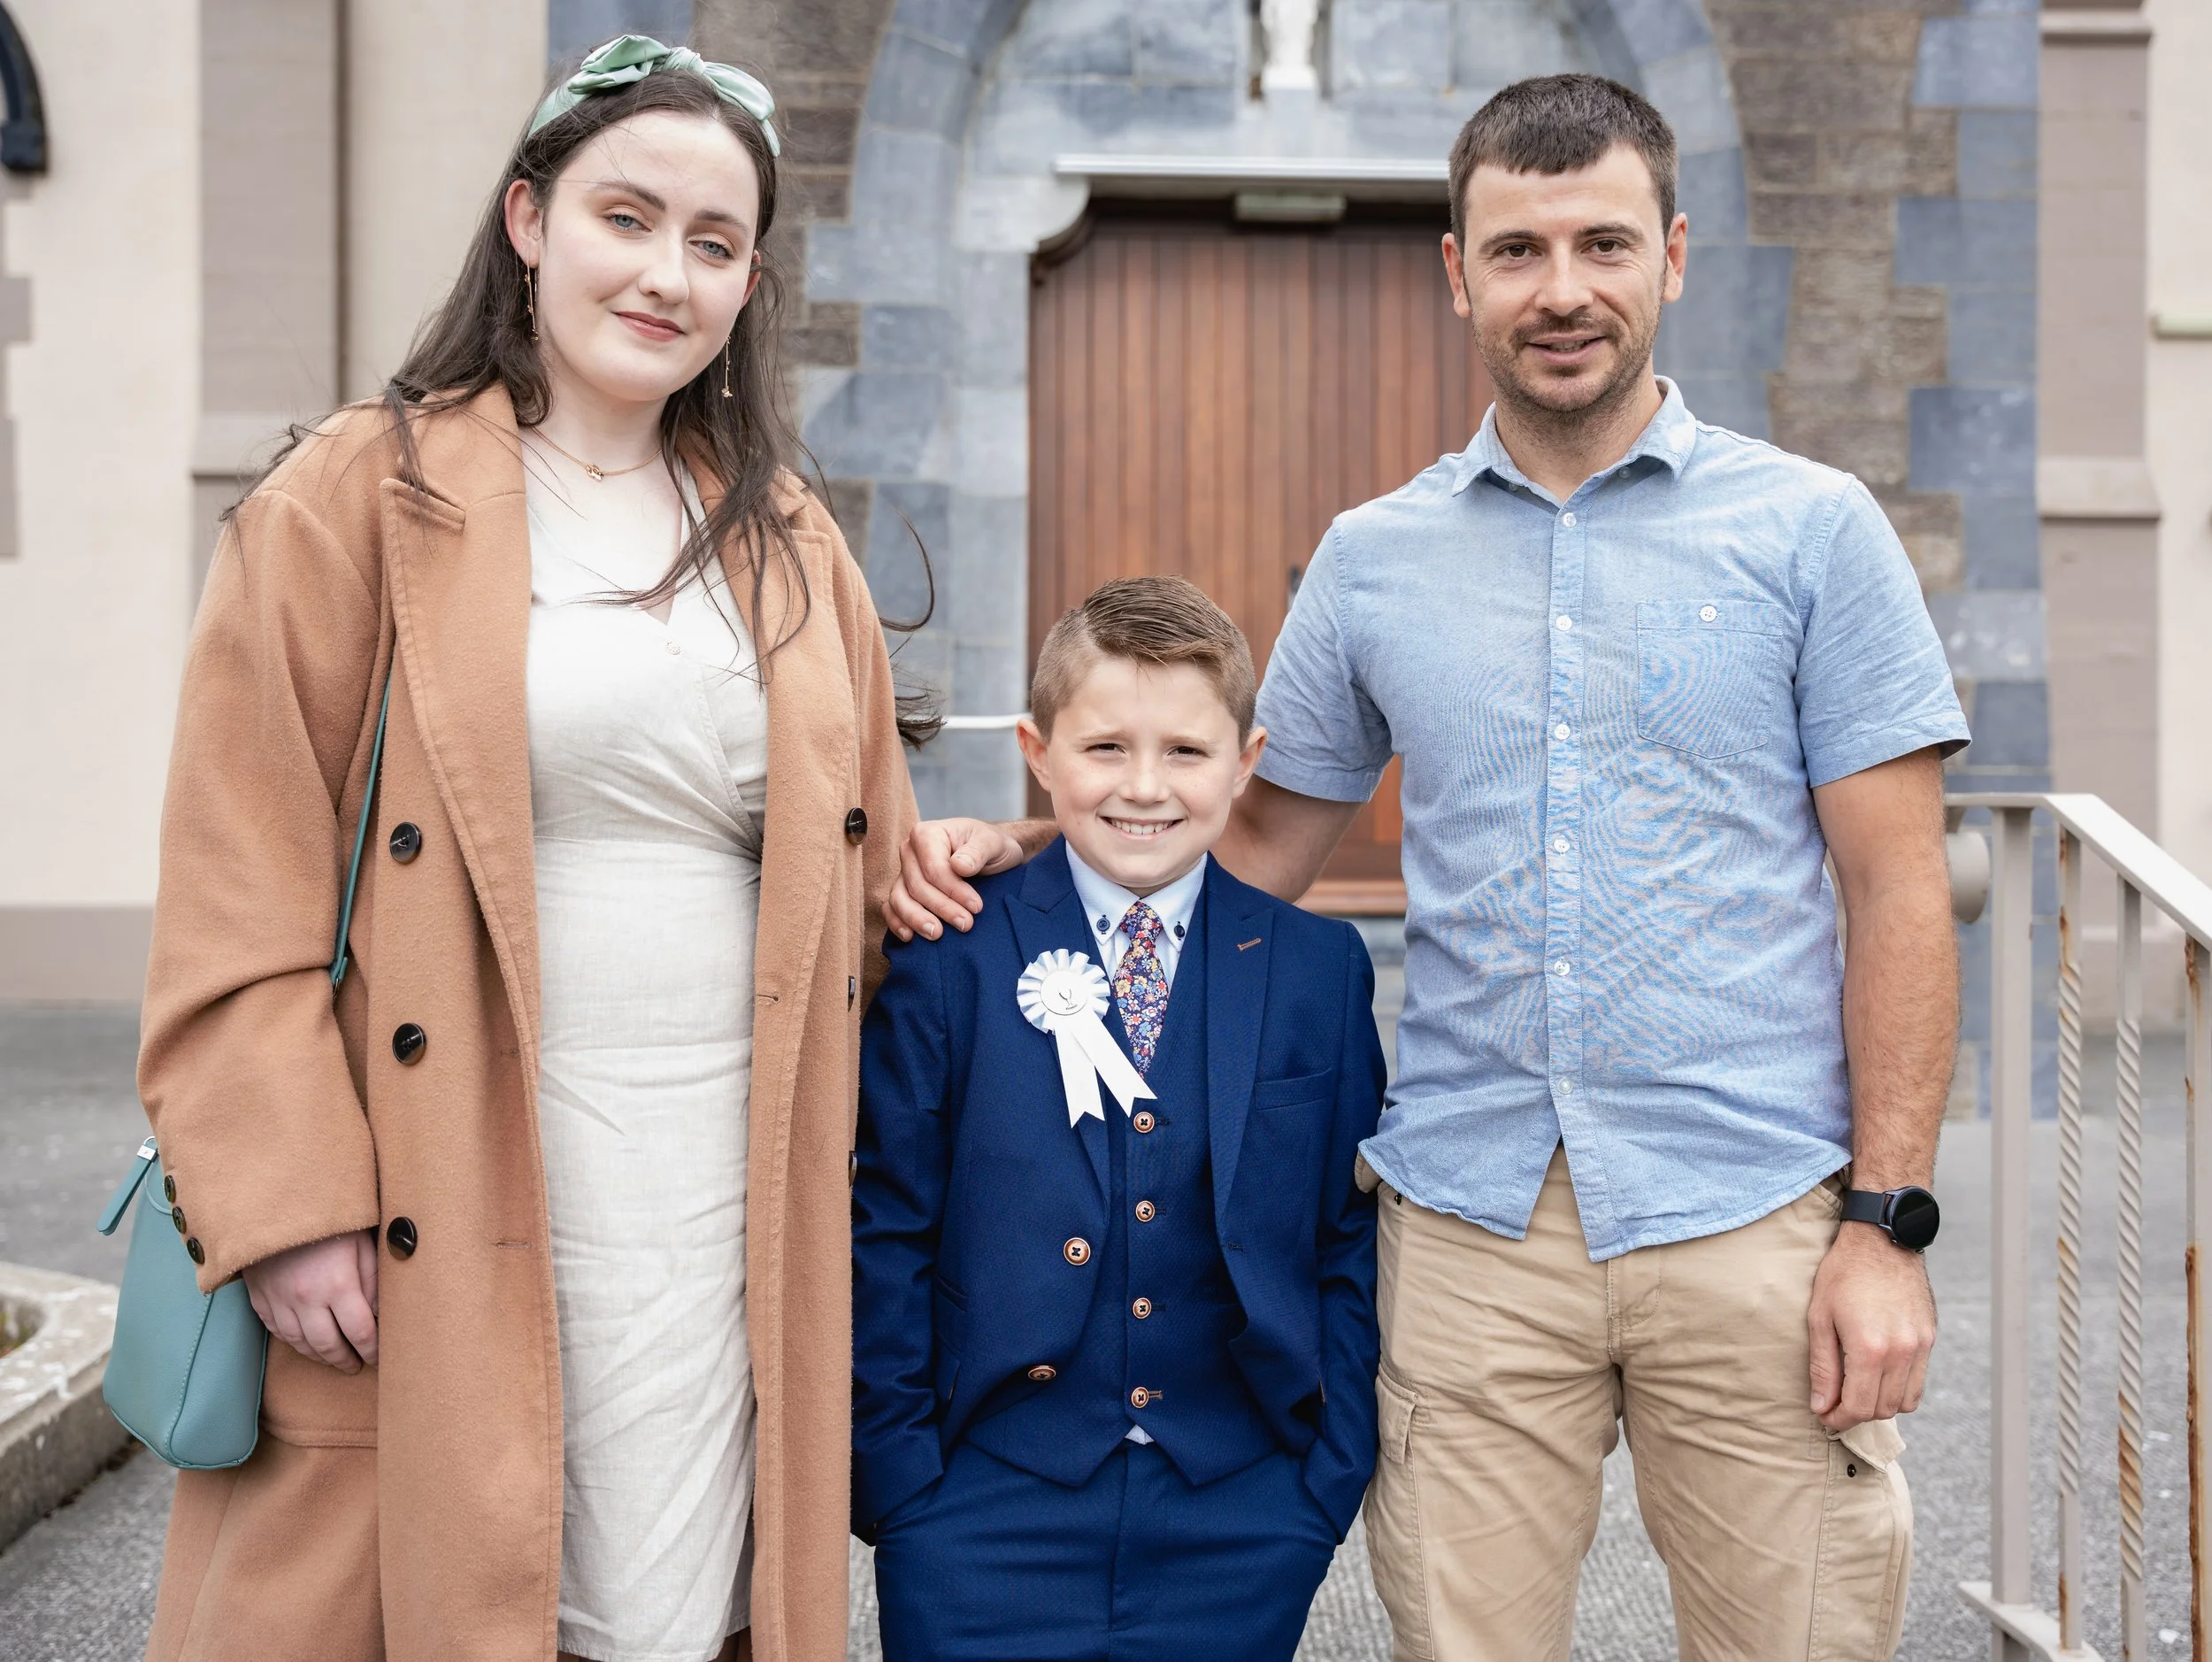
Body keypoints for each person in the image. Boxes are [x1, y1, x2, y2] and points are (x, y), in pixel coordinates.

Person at [889, 74, 1967, 1662]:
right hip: (1468, 1225)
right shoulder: (1371, 557)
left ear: (1672, 254)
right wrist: (1045, 842)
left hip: (1750, 1211)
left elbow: (1898, 888)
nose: (1563, 290)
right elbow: (1246, 847)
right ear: (1457, 272)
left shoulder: (1814, 533)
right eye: (1517, 250)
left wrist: (1885, 1224)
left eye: (1603, 243)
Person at [134, 36, 916, 1662]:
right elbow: (238, 873)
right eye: (627, 216)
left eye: (714, 244)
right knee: (461, 1584)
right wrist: (285, 1200)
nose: (666, 273)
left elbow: (868, 852)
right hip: (455, 1168)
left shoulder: (790, 539)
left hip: (715, 1189)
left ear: (749, 282)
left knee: (686, 1601)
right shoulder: (356, 496)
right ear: (529, 220)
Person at [852, 577, 1386, 1661]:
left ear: (1246, 762)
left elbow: (1341, 1235)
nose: (1145, 788)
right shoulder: (950, 951)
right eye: (1104, 750)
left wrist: (1319, 1482)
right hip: (982, 1504)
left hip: (1237, 1507)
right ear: (1036, 753)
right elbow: (886, 1225)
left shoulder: (1317, 970)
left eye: (1187, 753)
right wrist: (900, 1482)